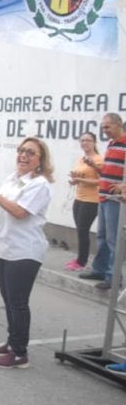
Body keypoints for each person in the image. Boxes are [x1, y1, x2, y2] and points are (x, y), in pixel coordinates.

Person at [0, 137, 53, 369]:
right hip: (4, 247)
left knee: (18, 302)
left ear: (40, 160)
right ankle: (12, 340)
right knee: (8, 300)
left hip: (25, 251)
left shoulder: (40, 185)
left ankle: (19, 353)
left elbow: (19, 212)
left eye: (30, 152)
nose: (23, 155)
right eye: (21, 151)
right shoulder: (12, 179)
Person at [79, 113, 126, 290]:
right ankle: (100, 269)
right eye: (103, 127)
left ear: (118, 124)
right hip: (104, 196)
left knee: (113, 239)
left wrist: (124, 184)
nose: (104, 131)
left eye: (107, 127)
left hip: (116, 199)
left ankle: (113, 277)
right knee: (102, 236)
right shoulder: (112, 144)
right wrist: (95, 167)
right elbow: (107, 171)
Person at [66, 132, 103, 271]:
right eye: (82, 140)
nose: (85, 143)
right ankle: (80, 258)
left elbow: (101, 181)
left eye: (88, 140)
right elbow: (80, 176)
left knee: (83, 230)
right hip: (79, 198)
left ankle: (81, 262)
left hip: (91, 200)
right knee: (80, 230)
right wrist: (75, 179)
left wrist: (80, 180)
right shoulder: (82, 159)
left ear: (94, 142)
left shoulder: (98, 160)